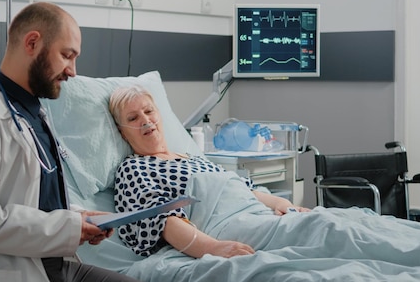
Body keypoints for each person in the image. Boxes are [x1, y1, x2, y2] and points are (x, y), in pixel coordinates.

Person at [0, 2, 156, 282]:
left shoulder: (33, 113)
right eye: (66, 56)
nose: (72, 71)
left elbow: (36, 197)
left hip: (50, 265)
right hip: (5, 273)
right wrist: (68, 228)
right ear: (32, 42)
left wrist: (77, 218)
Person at [108, 85, 310, 258]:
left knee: (320, 222)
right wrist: (212, 248)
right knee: (325, 230)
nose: (145, 120)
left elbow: (245, 190)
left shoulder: (193, 158)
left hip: (259, 213)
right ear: (122, 132)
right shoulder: (135, 169)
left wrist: (284, 205)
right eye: (133, 118)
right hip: (228, 225)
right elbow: (160, 219)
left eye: (149, 111)